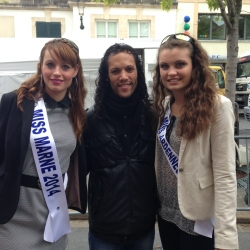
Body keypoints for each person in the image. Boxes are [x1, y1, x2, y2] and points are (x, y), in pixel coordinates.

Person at [152, 33, 239, 250]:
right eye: (165, 66)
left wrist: (225, 237)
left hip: (197, 219)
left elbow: (225, 174)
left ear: (195, 66)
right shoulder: (164, 105)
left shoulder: (217, 106)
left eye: (180, 64)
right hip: (166, 213)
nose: (171, 72)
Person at [0, 38, 88, 249]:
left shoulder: (78, 114)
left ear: (75, 71)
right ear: (41, 67)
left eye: (65, 67)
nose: (57, 73)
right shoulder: (15, 102)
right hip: (15, 214)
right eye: (50, 65)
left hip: (53, 215)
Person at [84, 43, 158, 250]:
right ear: (107, 77)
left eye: (129, 69)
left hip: (143, 227)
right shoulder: (90, 120)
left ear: (138, 73)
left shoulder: (153, 117)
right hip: (104, 230)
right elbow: (76, 169)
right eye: (115, 71)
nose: (123, 76)